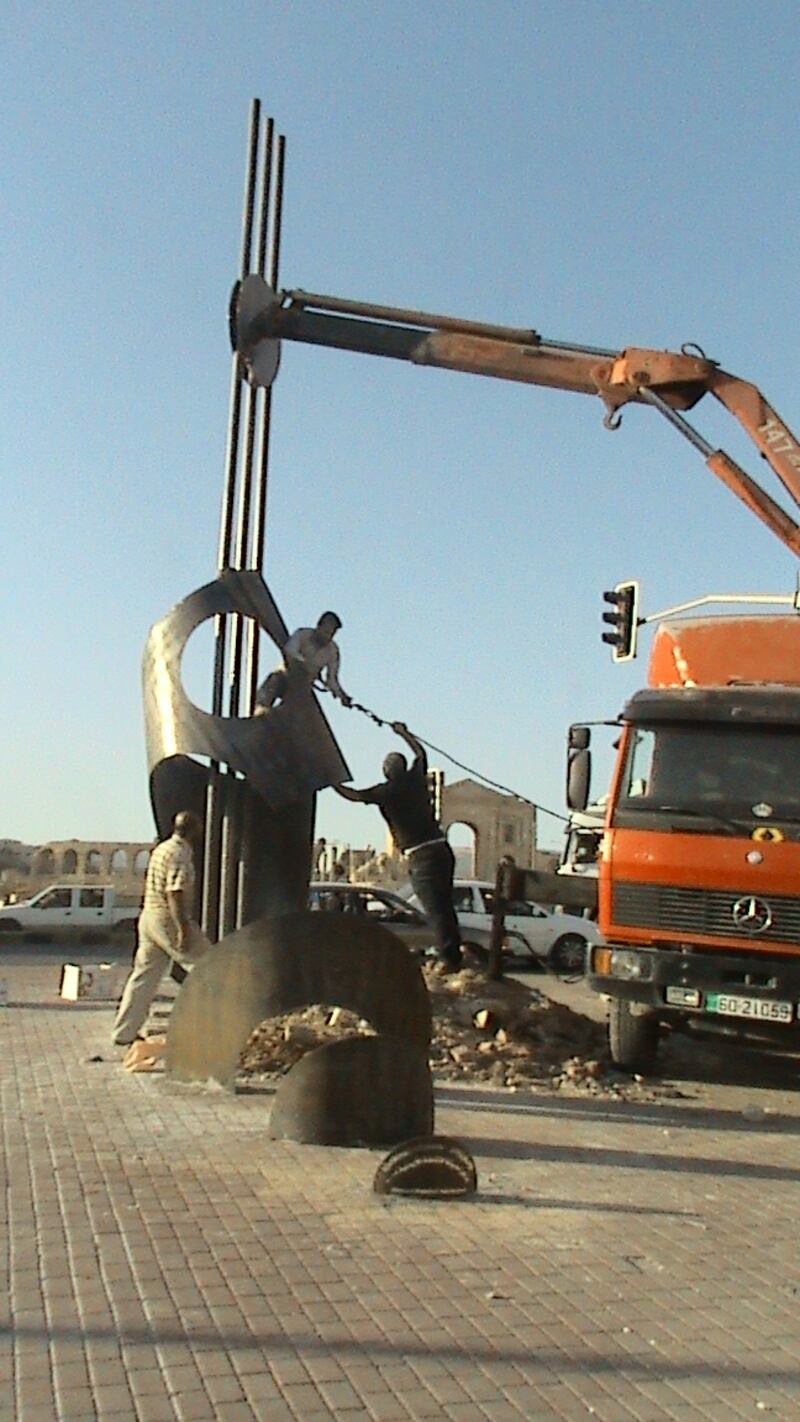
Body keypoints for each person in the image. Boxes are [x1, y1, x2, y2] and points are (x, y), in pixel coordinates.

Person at [334, 722, 463, 973]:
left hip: (422, 856)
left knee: (435, 909)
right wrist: (404, 733)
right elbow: (421, 754)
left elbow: (352, 795)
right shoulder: (415, 779)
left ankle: (449, 959)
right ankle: (452, 953)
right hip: (442, 850)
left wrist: (331, 779)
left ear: (385, 771)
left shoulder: (385, 792)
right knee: (445, 905)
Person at [111, 811, 211, 1047]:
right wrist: (183, 929)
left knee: (144, 976)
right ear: (193, 829)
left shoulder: (162, 849)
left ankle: (124, 1033)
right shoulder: (179, 854)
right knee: (211, 968)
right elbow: (174, 893)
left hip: (148, 917)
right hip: (167, 917)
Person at [254, 612, 352, 712]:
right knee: (270, 685)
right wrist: (303, 665)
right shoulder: (302, 634)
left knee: (306, 713)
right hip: (284, 676)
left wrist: (342, 696)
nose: (328, 637)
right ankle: (256, 713)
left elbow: (331, 679)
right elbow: (290, 651)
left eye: (331, 634)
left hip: (303, 688)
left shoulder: (333, 651)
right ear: (318, 626)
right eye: (326, 632)